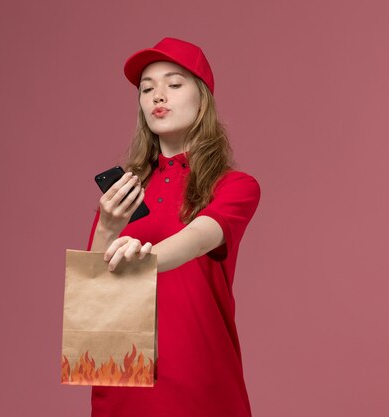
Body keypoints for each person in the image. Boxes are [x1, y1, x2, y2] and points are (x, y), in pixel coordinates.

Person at [86, 37, 260, 417]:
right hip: (122, 378)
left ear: (203, 98)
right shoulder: (123, 191)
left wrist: (143, 257)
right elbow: (94, 288)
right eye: (147, 89)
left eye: (174, 84)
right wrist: (108, 228)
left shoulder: (234, 186)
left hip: (198, 376)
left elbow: (200, 237)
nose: (157, 96)